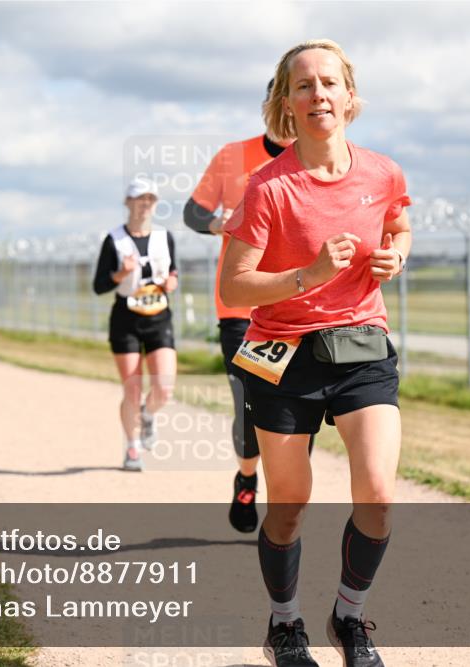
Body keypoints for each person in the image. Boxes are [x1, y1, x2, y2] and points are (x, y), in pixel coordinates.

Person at [220, 40, 412, 667]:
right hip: (286, 357)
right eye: (303, 86)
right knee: (289, 507)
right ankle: (284, 625)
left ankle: (349, 618)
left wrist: (395, 256)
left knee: (378, 493)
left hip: (361, 346)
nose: (318, 94)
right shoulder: (267, 187)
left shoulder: (383, 172)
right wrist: (305, 274)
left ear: (350, 97)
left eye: (329, 83)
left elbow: (399, 224)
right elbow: (233, 287)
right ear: (286, 103)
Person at [185, 79, 294, 533]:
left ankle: (286, 504)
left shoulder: (320, 161)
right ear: (270, 105)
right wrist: (221, 225)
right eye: (283, 96)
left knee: (295, 413)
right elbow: (193, 212)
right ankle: (247, 478)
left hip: (299, 308)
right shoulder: (233, 157)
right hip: (241, 310)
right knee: (250, 405)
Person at [92, 178, 178, 472]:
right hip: (126, 318)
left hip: (158, 316)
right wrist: (121, 273)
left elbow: (174, 271)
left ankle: (148, 414)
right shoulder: (114, 240)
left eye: (150, 199)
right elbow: (99, 285)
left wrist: (172, 282)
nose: (145, 204)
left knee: (164, 387)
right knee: (132, 389)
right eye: (139, 198)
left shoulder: (164, 237)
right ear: (127, 202)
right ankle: (132, 448)